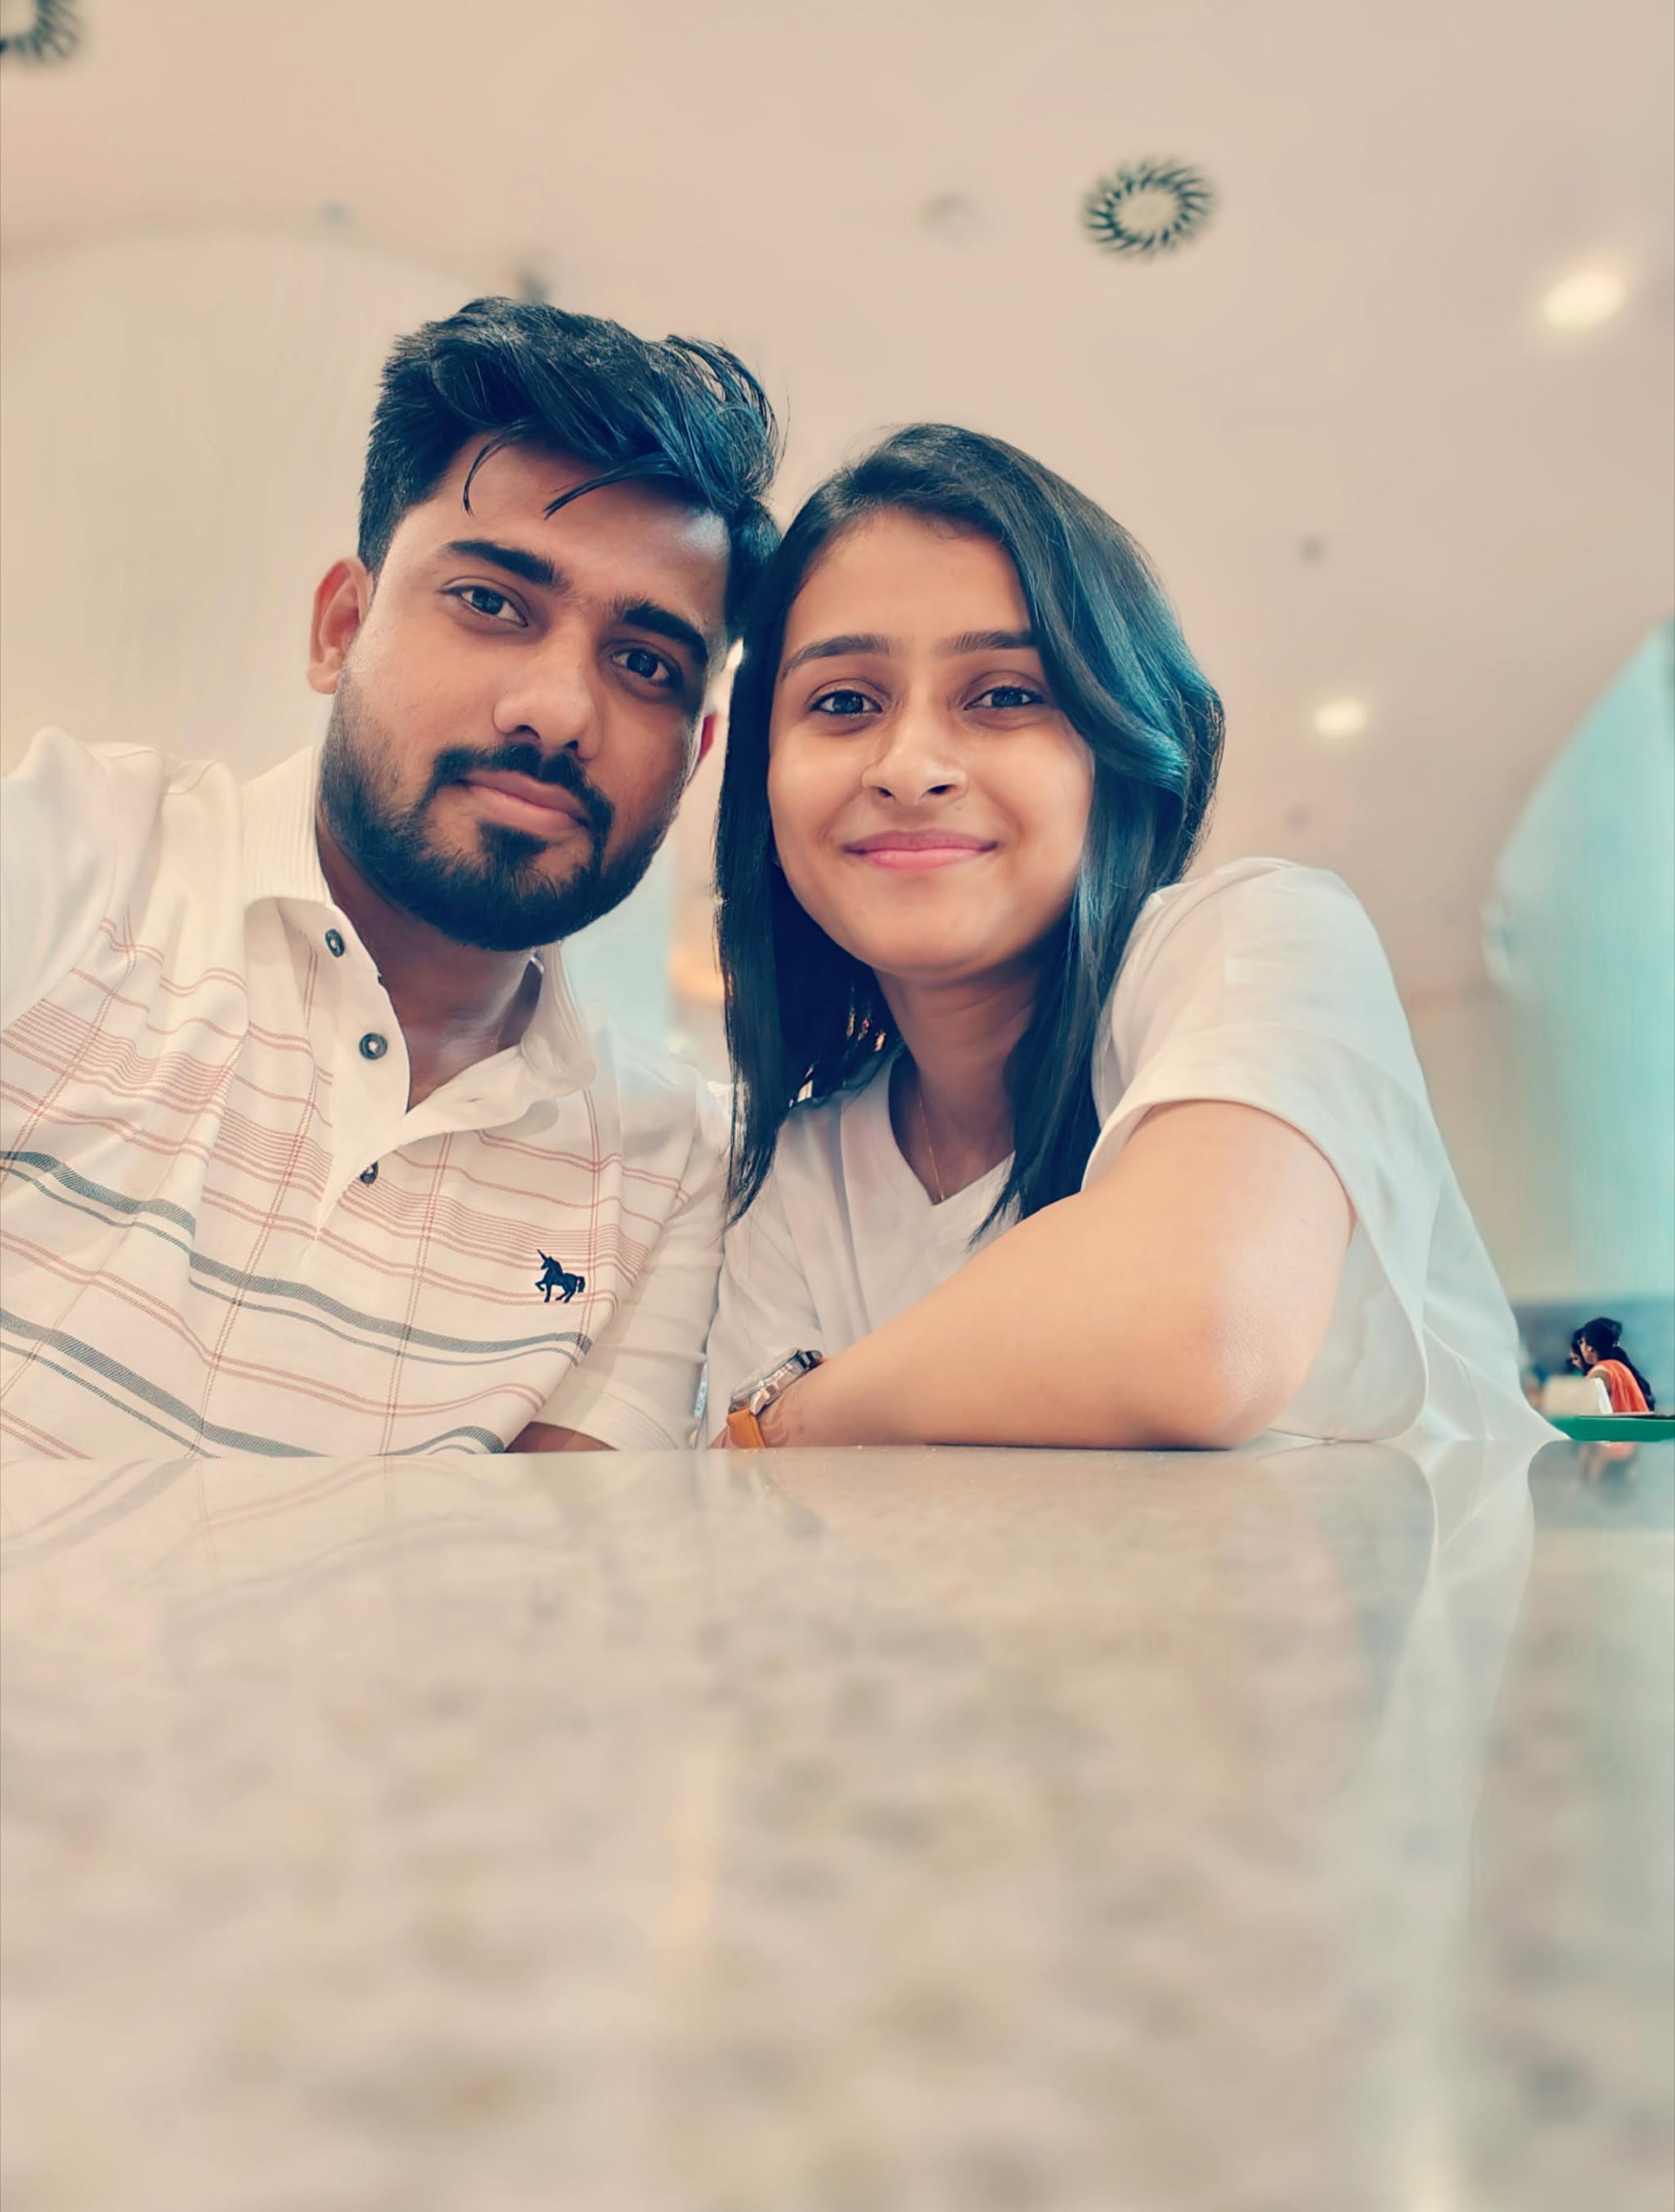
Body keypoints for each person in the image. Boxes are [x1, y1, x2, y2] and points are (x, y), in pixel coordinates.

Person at [0, 298, 780, 1459]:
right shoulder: (74, 854)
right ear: (341, 628)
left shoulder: (667, 1165)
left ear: (695, 754)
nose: (558, 710)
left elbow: (558, 1556)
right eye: (491, 603)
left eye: (644, 662)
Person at [705, 424, 1545, 1450]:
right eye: (842, 702)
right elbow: (763, 1523)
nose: (909, 767)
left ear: (1117, 755)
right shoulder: (795, 1174)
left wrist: (794, 1413)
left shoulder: (1259, 939)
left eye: (1005, 696)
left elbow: (1197, 1336)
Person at [1568, 1320, 1655, 1414]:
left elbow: (1584, 1410)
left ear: (1590, 1347)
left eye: (1582, 1342)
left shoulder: (1600, 1372)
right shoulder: (1620, 1367)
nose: (1581, 1347)